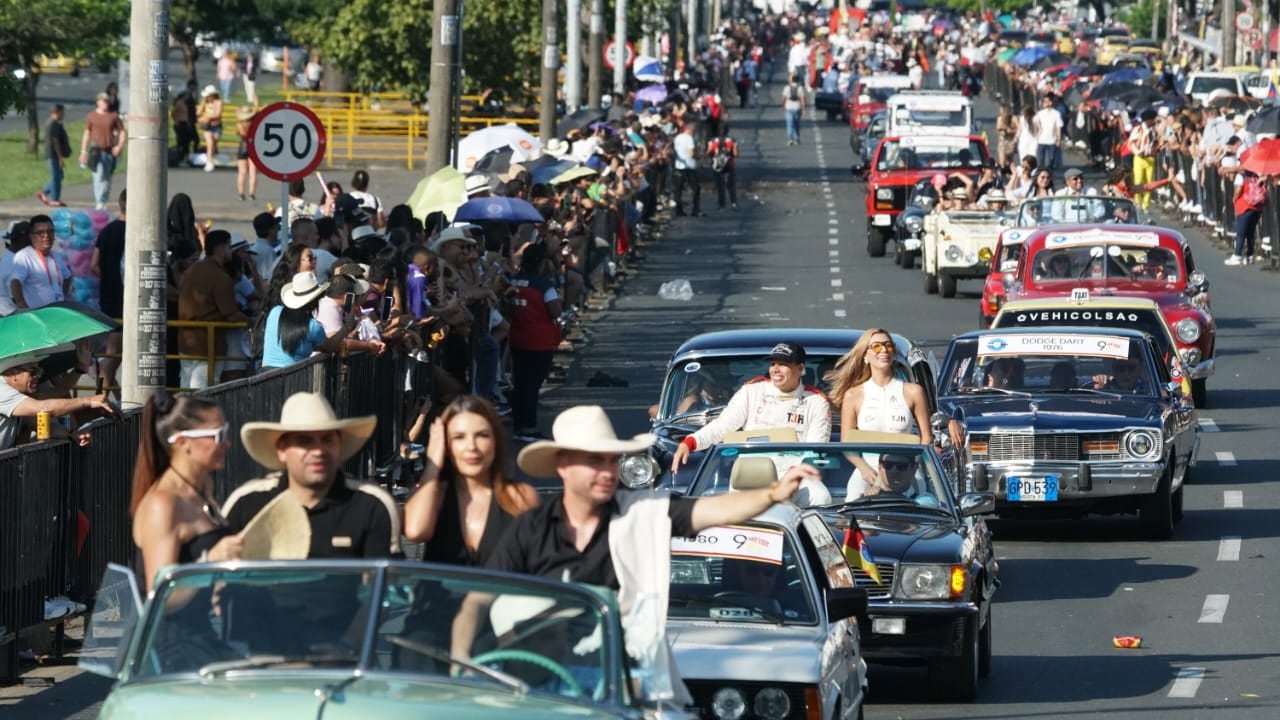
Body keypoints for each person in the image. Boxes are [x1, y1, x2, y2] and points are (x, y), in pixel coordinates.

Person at [449, 404, 818, 660]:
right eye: (595, 461)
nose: (608, 471)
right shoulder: (531, 528)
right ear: (563, 465)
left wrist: (773, 493)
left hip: (621, 682)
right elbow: (478, 600)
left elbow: (710, 510)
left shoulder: (643, 512)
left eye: (612, 460)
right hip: (544, 685)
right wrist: (459, 658)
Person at [224, 392, 400, 558]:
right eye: (304, 441)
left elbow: (388, 584)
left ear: (340, 445)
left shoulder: (372, 506)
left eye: (327, 440)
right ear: (281, 450)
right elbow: (215, 578)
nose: (318, 451)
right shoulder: (246, 503)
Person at [404, 395, 539, 565]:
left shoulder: (519, 496)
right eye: (459, 437)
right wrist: (433, 465)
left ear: (495, 440)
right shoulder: (434, 495)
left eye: (482, 435)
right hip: (439, 592)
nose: (472, 447)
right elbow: (415, 531)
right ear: (445, 444)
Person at [130, 392, 244, 592]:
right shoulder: (163, 505)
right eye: (218, 435)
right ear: (183, 442)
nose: (227, 443)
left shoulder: (203, 485)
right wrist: (210, 561)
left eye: (226, 432)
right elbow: (160, 596)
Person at [671, 342, 831, 470]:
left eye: (783, 364)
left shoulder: (816, 401)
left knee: (820, 497)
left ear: (800, 368)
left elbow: (816, 449)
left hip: (795, 474)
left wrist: (796, 473)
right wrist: (690, 442)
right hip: (752, 472)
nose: (775, 369)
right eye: (773, 363)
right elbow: (722, 426)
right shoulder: (751, 391)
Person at [824, 329, 932, 441]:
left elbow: (927, 438)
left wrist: (916, 458)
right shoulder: (852, 396)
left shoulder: (914, 392)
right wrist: (860, 460)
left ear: (893, 352)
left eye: (888, 345)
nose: (884, 350)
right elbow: (847, 446)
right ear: (865, 354)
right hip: (866, 459)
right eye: (877, 347)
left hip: (906, 458)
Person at [0, 350, 115, 451]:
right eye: (33, 371)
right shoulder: (2, 391)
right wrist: (88, 401)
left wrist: (70, 435)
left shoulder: (19, 395)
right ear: (14, 374)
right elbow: (43, 407)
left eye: (39, 371)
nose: (38, 376)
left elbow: (38, 423)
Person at [506, 242, 563, 441]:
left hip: (518, 338)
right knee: (532, 385)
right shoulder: (544, 285)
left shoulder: (515, 281)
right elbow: (555, 310)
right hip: (539, 341)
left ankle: (519, 424)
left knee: (520, 383)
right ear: (541, 262)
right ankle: (528, 427)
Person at [177, 230, 247, 389]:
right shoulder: (220, 277)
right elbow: (231, 314)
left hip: (185, 341)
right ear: (221, 248)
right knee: (205, 388)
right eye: (229, 247)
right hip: (207, 344)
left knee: (186, 385)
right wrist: (252, 321)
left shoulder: (190, 271)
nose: (231, 251)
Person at [260, 271, 354, 370]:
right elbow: (331, 346)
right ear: (315, 300)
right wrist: (347, 326)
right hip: (294, 378)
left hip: (267, 377)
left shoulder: (274, 312)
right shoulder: (313, 326)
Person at [91, 190, 126, 390]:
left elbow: (93, 265)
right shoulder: (136, 232)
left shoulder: (107, 231)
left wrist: (109, 278)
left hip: (108, 297)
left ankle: (115, 395)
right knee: (114, 353)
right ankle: (101, 395)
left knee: (115, 351)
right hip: (124, 299)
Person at [9, 215, 70, 311]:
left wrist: (64, 295)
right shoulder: (25, 256)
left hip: (58, 313)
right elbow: (15, 282)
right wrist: (23, 307)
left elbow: (67, 276)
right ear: (31, 236)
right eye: (40, 232)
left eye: (50, 231)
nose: (46, 236)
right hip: (38, 315)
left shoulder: (56, 255)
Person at [79, 92, 125, 210]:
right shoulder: (91, 116)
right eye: (103, 101)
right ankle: (100, 201)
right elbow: (87, 133)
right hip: (96, 150)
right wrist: (83, 151)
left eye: (107, 101)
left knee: (107, 178)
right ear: (98, 102)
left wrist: (119, 146)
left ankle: (103, 200)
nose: (106, 103)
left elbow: (122, 132)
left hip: (109, 151)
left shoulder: (113, 116)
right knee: (98, 176)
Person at [1226, 170, 1269, 266]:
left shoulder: (1241, 176)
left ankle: (1237, 255)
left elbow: (1238, 189)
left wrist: (1234, 198)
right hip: (1256, 207)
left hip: (1244, 206)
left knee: (1241, 232)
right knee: (1250, 233)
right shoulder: (1257, 175)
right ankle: (1250, 255)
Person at [38, 104, 70, 207]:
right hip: (53, 154)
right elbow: (55, 141)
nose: (63, 114)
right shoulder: (53, 124)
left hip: (53, 154)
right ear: (57, 112)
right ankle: (55, 199)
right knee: (56, 176)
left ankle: (44, 192)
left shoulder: (54, 123)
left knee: (59, 175)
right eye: (62, 112)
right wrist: (60, 157)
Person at [672, 124, 702, 217]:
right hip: (689, 166)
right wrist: (698, 156)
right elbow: (691, 153)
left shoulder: (677, 138)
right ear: (690, 130)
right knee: (695, 188)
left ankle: (678, 210)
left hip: (678, 166)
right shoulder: (689, 139)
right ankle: (695, 209)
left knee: (678, 189)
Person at [706, 132, 739, 210]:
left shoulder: (712, 141)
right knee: (731, 186)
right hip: (729, 165)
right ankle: (733, 203)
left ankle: (721, 204)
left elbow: (709, 152)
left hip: (717, 166)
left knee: (720, 186)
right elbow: (736, 154)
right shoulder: (732, 140)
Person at [196, 86, 223, 172]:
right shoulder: (205, 102)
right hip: (207, 126)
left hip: (216, 125)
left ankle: (210, 156)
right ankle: (209, 161)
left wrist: (208, 118)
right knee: (210, 143)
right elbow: (198, 113)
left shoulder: (219, 103)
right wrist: (200, 117)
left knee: (214, 143)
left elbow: (218, 114)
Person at [234, 106, 257, 201]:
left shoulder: (239, 125)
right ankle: (251, 193)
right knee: (253, 172)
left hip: (243, 146)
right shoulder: (255, 124)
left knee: (242, 172)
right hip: (253, 146)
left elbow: (238, 134)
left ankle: (241, 193)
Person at [782, 74, 805, 146]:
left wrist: (783, 105)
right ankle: (797, 139)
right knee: (796, 124)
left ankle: (790, 139)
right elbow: (802, 99)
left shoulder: (787, 88)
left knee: (789, 124)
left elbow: (784, 98)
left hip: (789, 107)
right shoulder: (800, 88)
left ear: (791, 80)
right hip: (797, 107)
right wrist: (803, 109)